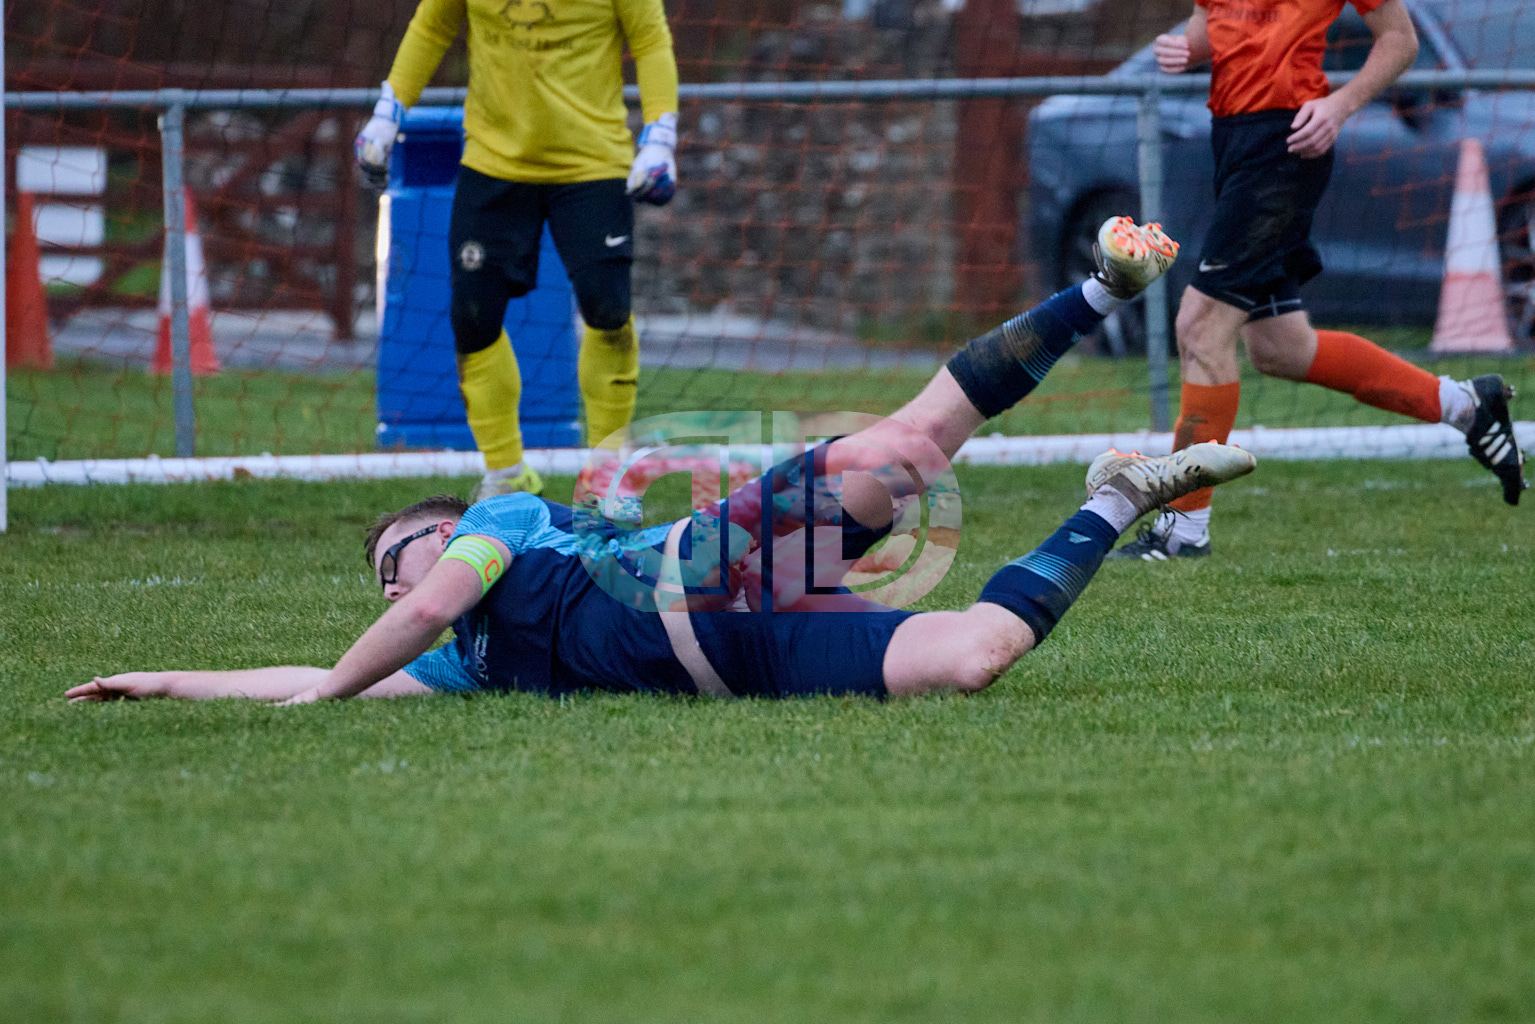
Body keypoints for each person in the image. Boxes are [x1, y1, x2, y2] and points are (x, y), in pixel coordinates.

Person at [66, 220, 1256, 705]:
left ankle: (1098, 286)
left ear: (446, 527)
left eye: (397, 553)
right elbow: (324, 671)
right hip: (744, 652)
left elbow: (385, 636)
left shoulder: (503, 527)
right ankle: (1114, 498)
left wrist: (328, 689)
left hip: (719, 555)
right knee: (972, 660)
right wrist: (163, 682)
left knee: (904, 449)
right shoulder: (463, 664)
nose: (394, 584)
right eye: (382, 577)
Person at [1114, 0, 1526, 562]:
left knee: (1200, 326)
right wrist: (1185, 47)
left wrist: (1339, 105)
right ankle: (1465, 405)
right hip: (1233, 141)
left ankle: (1185, 529)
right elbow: (1209, 25)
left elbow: (1400, 39)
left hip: (1287, 142)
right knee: (1282, 348)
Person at [354, 0, 682, 499]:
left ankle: (608, 473)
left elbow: (651, 40)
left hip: (594, 165)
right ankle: (506, 475)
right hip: (493, 164)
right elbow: (432, 27)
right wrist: (388, 111)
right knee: (473, 317)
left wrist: (660, 135)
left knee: (607, 309)